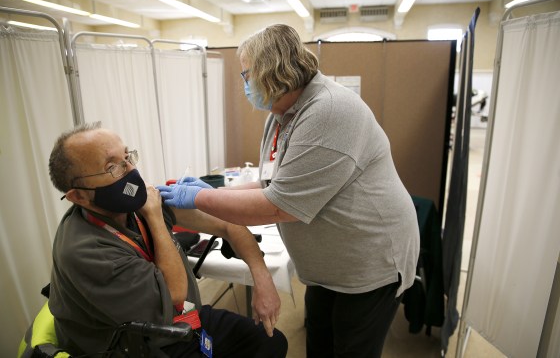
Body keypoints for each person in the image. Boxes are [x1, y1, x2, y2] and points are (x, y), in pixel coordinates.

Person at [157, 24, 420, 358]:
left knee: (351, 349)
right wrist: (212, 189)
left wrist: (199, 198)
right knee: (320, 344)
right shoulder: (281, 114)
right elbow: (272, 183)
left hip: (368, 262)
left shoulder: (328, 110)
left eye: (247, 73)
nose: (244, 83)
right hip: (328, 267)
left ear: (271, 72)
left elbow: (279, 206)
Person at [46, 122, 288, 357]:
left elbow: (227, 222)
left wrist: (262, 277)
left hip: (184, 321)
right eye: (112, 167)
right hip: (138, 345)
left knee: (270, 343)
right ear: (79, 196)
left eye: (127, 157)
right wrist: (153, 216)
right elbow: (175, 294)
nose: (130, 171)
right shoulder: (85, 251)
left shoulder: (132, 203)